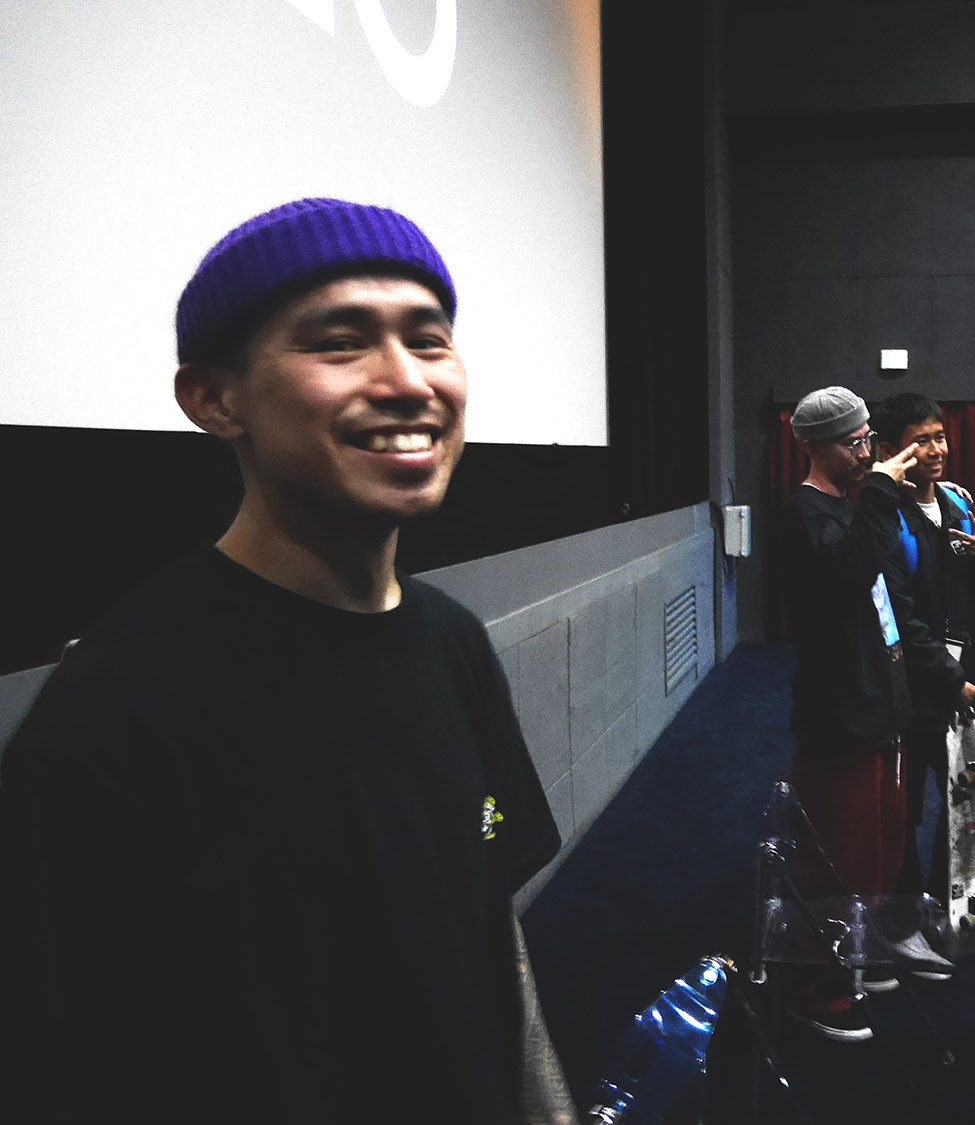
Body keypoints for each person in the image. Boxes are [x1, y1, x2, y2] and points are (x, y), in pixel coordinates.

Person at [0, 199, 574, 1122]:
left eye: (429, 340)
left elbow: (487, 945)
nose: (407, 381)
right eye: (340, 344)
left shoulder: (453, 641)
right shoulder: (115, 713)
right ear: (214, 399)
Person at [778, 385, 922, 1041]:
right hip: (839, 717)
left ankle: (857, 958)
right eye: (853, 443)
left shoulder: (847, 503)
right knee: (834, 861)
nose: (866, 452)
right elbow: (846, 574)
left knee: (878, 855)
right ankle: (814, 988)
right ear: (815, 446)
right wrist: (882, 491)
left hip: (877, 703)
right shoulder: (803, 511)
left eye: (868, 440)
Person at [868, 394, 975, 907]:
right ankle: (906, 914)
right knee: (904, 809)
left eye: (940, 437)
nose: (936, 450)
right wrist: (951, 679)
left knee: (971, 800)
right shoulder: (884, 514)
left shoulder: (957, 504)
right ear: (889, 450)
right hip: (916, 687)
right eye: (921, 441)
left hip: (969, 672)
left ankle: (963, 907)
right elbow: (898, 617)